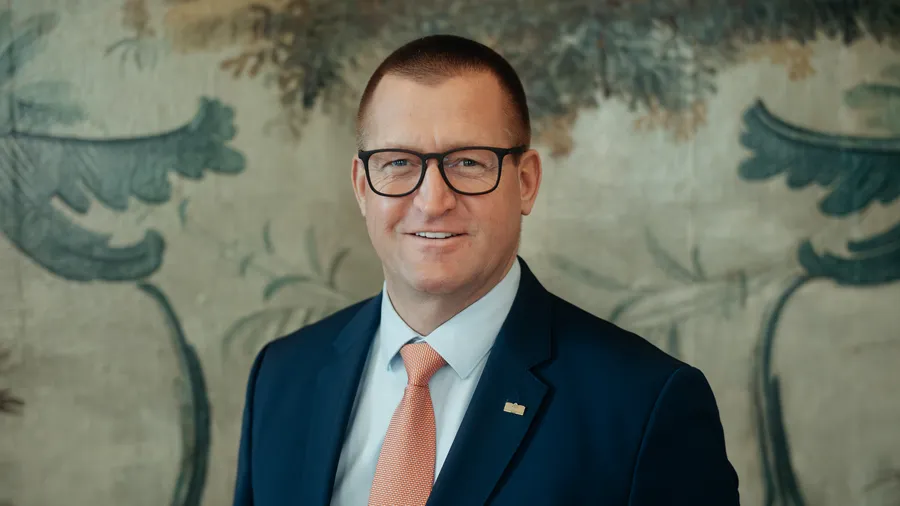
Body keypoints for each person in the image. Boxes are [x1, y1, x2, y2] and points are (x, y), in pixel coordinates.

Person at [231, 34, 740, 506]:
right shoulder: (282, 375)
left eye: (468, 162)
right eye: (399, 163)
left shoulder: (645, 405)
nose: (432, 201)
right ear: (363, 186)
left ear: (526, 182)